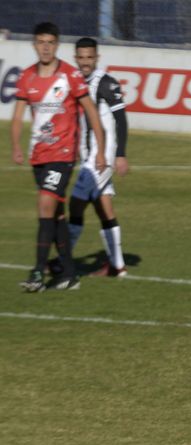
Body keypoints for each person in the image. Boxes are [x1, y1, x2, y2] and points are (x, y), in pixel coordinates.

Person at [10, 21, 107, 292]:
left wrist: (99, 149)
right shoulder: (27, 76)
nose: (45, 47)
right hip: (38, 155)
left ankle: (38, 273)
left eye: (50, 42)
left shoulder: (70, 76)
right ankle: (69, 274)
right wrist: (16, 145)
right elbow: (17, 116)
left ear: (56, 45)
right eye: (41, 42)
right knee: (56, 216)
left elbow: (90, 112)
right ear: (34, 45)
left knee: (44, 206)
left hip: (63, 155)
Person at [68, 37, 130, 278]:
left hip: (100, 158)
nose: (85, 62)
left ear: (97, 58)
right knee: (104, 207)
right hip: (88, 158)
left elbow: (121, 119)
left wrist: (120, 154)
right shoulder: (75, 82)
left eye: (89, 57)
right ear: (76, 58)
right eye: (81, 58)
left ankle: (63, 260)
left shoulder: (105, 83)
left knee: (76, 205)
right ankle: (117, 266)